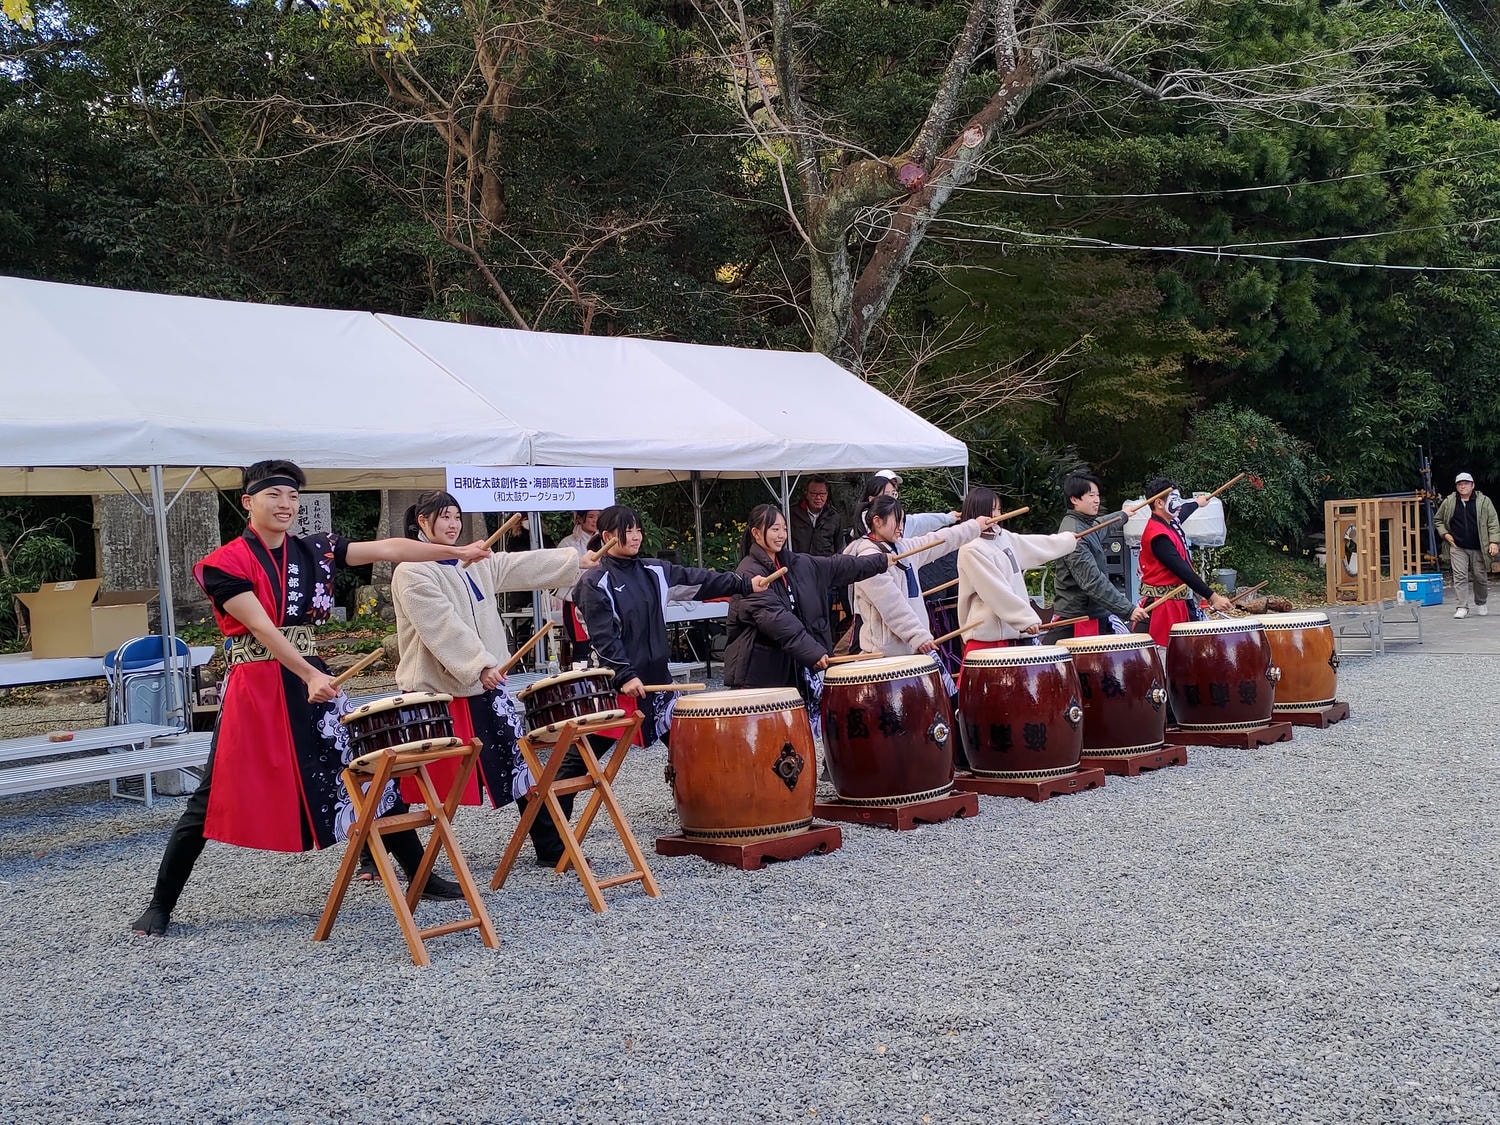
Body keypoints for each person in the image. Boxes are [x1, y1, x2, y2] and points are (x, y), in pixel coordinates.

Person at [131, 461, 493, 938]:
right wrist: (306, 673)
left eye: (292, 497)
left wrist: (454, 551)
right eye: (274, 495)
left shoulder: (312, 548)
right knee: (212, 793)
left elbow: (388, 548)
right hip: (259, 688)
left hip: (312, 678)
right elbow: (262, 626)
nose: (286, 505)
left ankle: (418, 874)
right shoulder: (224, 563)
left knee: (367, 772)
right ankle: (160, 903)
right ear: (248, 502)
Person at [558, 506, 773, 856]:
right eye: (628, 531)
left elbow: (701, 579)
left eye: (638, 530)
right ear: (607, 536)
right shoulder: (594, 582)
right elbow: (603, 637)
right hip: (613, 687)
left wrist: (745, 583)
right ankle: (550, 838)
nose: (636, 536)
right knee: (579, 759)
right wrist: (624, 675)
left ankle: (711, 814)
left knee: (690, 748)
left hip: (657, 683)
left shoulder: (654, 570)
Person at [390, 490, 580, 865]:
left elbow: (515, 565)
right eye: (444, 517)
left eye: (456, 517)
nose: (452, 524)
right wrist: (479, 665)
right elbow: (442, 626)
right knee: (412, 777)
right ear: (423, 522)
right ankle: (373, 848)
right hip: (436, 692)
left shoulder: (472, 562)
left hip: (483, 684)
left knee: (519, 764)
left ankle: (551, 848)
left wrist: (573, 560)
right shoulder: (412, 570)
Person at [722, 504, 890, 699]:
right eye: (775, 529)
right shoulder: (749, 573)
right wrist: (813, 652)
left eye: (784, 529)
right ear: (756, 533)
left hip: (790, 668)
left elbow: (837, 566)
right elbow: (776, 620)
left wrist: (880, 562)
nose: (781, 535)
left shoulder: (795, 563)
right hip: (758, 675)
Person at [845, 494, 991, 657]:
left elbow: (939, 539)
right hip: (886, 654)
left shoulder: (902, 547)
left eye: (902, 521)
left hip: (912, 647)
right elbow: (892, 605)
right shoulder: (868, 560)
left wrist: (975, 527)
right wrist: (918, 636)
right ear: (877, 521)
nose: (901, 527)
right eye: (896, 521)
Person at [956, 486, 1079, 662]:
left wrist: (1066, 541)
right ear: (977, 512)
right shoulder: (971, 549)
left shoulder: (1002, 537)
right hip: (989, 641)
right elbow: (995, 590)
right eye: (991, 510)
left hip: (1013, 636)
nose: (997, 515)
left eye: (999, 509)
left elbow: (1035, 545)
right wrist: (1025, 619)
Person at [1050, 472, 1150, 638]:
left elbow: (1101, 525)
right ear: (1074, 499)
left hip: (1092, 612)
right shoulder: (1074, 534)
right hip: (1078, 617)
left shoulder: (1085, 524)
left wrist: (1123, 515)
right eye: (1091, 495)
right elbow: (1092, 581)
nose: (1097, 500)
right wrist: (1128, 609)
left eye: (1097, 495)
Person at [1136, 476, 1233, 646]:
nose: (1179, 503)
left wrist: (1198, 503)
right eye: (1175, 499)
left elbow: (1184, 511)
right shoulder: (1158, 535)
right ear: (1159, 503)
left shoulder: (1169, 522)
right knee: (1167, 652)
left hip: (1178, 602)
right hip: (1163, 605)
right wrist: (1213, 597)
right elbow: (1182, 570)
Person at [1435, 472, 1500, 619]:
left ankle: (1481, 602)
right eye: (1459, 484)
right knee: (1460, 576)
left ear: (1473, 485)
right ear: (1456, 486)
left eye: (1466, 483)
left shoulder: (1484, 501)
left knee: (1480, 576)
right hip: (1457, 546)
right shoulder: (1450, 501)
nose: (1462, 486)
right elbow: (1438, 520)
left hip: (1479, 546)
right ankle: (1462, 606)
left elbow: (1493, 523)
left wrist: (1494, 542)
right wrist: (1445, 534)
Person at [851, 470, 956, 541]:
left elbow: (921, 521)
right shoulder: (862, 533)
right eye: (886, 494)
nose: (899, 529)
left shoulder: (902, 520)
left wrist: (949, 518)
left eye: (894, 493)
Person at [557, 510, 601, 663]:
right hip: (575, 601)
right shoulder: (567, 544)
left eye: (598, 517)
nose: (595, 521)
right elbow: (559, 573)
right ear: (580, 519)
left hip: (601, 600)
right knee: (582, 648)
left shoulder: (606, 540)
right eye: (591, 517)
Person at [788, 477, 844, 557]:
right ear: (806, 494)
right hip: (799, 561)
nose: (818, 497)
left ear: (827, 495)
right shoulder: (792, 514)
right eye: (814, 493)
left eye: (822, 494)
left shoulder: (834, 517)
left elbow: (839, 548)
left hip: (825, 562)